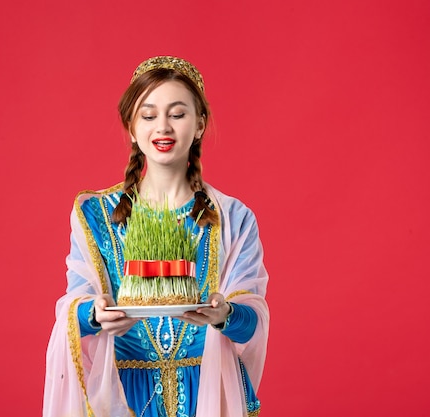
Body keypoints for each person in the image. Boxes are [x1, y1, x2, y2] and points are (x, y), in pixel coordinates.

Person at [43, 56, 270, 417]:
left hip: (208, 393)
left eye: (177, 114)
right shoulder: (97, 216)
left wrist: (224, 313)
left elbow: (252, 324)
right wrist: (95, 313)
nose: (162, 127)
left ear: (199, 125)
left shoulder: (233, 218)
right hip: (124, 395)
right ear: (132, 128)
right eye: (148, 116)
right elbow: (74, 307)